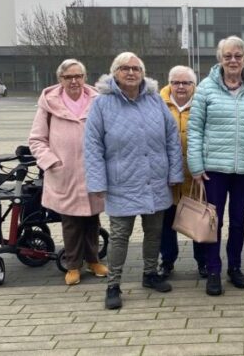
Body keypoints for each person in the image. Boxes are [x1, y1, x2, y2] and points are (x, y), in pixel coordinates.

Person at [85, 52, 184, 310]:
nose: (131, 72)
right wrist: (97, 182)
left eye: (136, 68)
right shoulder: (101, 103)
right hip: (121, 181)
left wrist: (175, 173)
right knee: (120, 235)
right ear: (114, 72)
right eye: (124, 68)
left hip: (155, 179)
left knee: (154, 232)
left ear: (143, 72)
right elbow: (92, 145)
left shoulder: (154, 100)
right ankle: (113, 284)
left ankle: (150, 274)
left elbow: (172, 137)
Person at [187, 36, 244, 296]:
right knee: (213, 221)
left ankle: (235, 267)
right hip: (213, 169)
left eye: (238, 56)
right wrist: (196, 166)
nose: (233, 60)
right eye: (228, 55)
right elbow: (195, 129)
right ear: (219, 58)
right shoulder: (206, 88)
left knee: (240, 221)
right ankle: (213, 269)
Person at [28, 59, 107, 286]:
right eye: (68, 77)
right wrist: (51, 162)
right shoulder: (49, 104)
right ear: (60, 79)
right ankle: (73, 265)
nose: (74, 81)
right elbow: (36, 139)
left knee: (93, 219)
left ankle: (94, 260)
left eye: (78, 76)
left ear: (84, 77)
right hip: (64, 172)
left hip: (92, 170)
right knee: (71, 222)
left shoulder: (97, 100)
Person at [158, 65, 206, 278]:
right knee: (165, 223)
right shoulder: (157, 104)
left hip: (195, 175)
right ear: (169, 84)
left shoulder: (202, 103)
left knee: (197, 221)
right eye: (176, 82)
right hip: (164, 177)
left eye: (186, 82)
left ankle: (203, 262)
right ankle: (167, 261)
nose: (180, 86)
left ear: (193, 85)